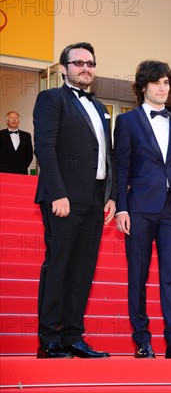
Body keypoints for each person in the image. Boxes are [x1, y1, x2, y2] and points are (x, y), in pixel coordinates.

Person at [33, 42, 115, 358]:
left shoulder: (99, 108)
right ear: (65, 67)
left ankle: (73, 336)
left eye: (90, 63)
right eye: (78, 62)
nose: (85, 68)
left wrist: (110, 197)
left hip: (95, 199)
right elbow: (45, 147)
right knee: (59, 266)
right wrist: (57, 193)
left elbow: (107, 155)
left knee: (83, 269)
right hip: (64, 198)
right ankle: (49, 339)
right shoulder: (51, 99)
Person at [114, 60, 171, 359]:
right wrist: (121, 208)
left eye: (166, 83)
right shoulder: (126, 122)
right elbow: (120, 167)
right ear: (143, 86)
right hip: (138, 208)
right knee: (137, 274)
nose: (163, 88)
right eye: (156, 83)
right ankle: (142, 339)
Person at [0, 111, 33, 175]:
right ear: (7, 121)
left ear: (19, 121)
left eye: (16, 118)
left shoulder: (26, 136)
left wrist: (22, 166)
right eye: (12, 118)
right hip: (3, 173)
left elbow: (29, 155)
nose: (14, 120)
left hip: (22, 172)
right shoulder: (1, 135)